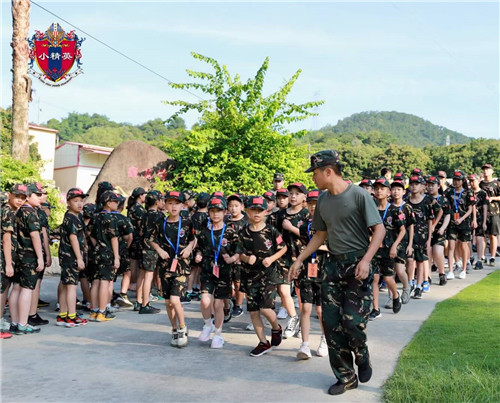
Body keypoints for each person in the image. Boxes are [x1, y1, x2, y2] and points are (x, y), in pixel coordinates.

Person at [290, 150, 385, 396]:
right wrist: (300, 259)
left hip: (358, 265)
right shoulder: (323, 200)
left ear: (329, 171)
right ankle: (346, 376)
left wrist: (366, 260)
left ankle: (362, 354)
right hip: (332, 266)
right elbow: (320, 234)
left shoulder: (359, 195)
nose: (313, 178)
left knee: (352, 322)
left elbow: (379, 230)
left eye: (315, 173)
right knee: (331, 324)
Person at [236, 196, 286, 356]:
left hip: (268, 275)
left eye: (260, 210)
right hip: (249, 276)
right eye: (253, 210)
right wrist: (246, 258)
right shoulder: (243, 232)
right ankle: (263, 342)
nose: (256, 213)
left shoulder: (271, 231)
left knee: (265, 308)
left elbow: (283, 248)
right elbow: (239, 252)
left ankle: (276, 328)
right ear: (247, 211)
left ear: (266, 212)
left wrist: (271, 259)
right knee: (253, 311)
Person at [195, 197, 239, 349]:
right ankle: (208, 324)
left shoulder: (230, 231)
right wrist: (198, 255)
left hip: (224, 272)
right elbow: (199, 247)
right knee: (205, 301)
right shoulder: (204, 232)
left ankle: (218, 335)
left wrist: (232, 258)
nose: (215, 214)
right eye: (212, 211)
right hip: (207, 270)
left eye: (219, 211)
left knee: (218, 303)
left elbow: (239, 250)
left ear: (225, 212)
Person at [159, 191, 196, 348]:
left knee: (175, 300)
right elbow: (151, 239)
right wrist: (159, 250)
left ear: (183, 205)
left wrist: (189, 248)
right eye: (170, 203)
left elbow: (193, 239)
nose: (173, 207)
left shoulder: (187, 223)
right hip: (165, 266)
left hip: (181, 266)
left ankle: (182, 327)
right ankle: (174, 328)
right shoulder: (161, 223)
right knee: (168, 302)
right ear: (165, 205)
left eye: (177, 203)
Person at [296, 189, 328, 359]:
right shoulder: (303, 224)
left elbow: (333, 247)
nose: (313, 207)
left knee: (321, 310)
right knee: (306, 308)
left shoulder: (329, 222)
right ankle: (305, 344)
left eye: (316, 204)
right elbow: (302, 246)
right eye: (310, 204)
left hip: (324, 271)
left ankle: (324, 339)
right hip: (307, 270)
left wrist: (315, 247)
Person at [9, 183, 46, 334]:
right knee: (27, 289)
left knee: (16, 288)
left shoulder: (18, 212)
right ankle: (23, 324)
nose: (40, 197)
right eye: (37, 194)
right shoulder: (30, 212)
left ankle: (15, 323)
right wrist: (40, 258)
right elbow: (35, 235)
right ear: (29, 196)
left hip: (17, 255)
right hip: (29, 256)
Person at [276, 183, 309, 338]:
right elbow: (275, 234)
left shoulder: (307, 214)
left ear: (304, 197)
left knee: (300, 292)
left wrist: (291, 228)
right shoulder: (280, 214)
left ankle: (303, 322)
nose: (293, 196)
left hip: (302, 257)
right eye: (291, 193)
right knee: (283, 290)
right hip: (284, 256)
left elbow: (311, 237)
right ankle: (293, 317)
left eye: (297, 193)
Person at [369, 178, 405, 320]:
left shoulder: (395, 210)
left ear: (388, 192)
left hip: (388, 249)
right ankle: (375, 309)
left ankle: (396, 295)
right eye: (377, 188)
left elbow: (402, 230)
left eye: (382, 188)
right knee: (374, 278)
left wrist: (395, 246)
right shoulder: (371, 210)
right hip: (374, 249)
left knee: (388, 277)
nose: (379, 191)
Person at [56, 188, 89, 327]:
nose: (80, 204)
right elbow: (73, 238)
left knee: (66, 285)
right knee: (71, 287)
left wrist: (84, 246)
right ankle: (71, 316)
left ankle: (63, 315)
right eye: (76, 201)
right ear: (68, 202)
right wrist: (79, 258)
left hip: (67, 255)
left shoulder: (74, 216)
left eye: (81, 200)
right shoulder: (71, 218)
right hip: (71, 256)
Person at [89, 190, 121, 322]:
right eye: (115, 201)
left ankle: (94, 311)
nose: (117, 203)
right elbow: (114, 238)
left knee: (95, 281)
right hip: (107, 253)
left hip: (97, 252)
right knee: (105, 281)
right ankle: (102, 312)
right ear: (108, 203)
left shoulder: (95, 216)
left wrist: (98, 245)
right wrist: (116, 256)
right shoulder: (111, 218)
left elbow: (90, 234)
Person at [1, 184, 28, 338]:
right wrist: (8, 263)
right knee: (1, 291)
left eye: (23, 198)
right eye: (17, 196)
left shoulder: (7, 210)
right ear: (9, 195)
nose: (20, 200)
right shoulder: (7, 212)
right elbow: (6, 239)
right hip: (3, 256)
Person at [444, 171, 475, 279]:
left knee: (463, 245)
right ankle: (451, 270)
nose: (456, 182)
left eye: (458, 180)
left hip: (464, 222)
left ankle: (464, 269)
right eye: (454, 180)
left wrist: (462, 219)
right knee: (451, 245)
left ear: (462, 181)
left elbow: (470, 209)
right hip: (452, 221)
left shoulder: (468, 192)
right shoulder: (449, 192)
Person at [138, 190, 164, 314]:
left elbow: (141, 231)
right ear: (157, 202)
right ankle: (145, 304)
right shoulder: (159, 216)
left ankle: (139, 301)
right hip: (152, 248)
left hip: (143, 246)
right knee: (148, 276)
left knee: (142, 275)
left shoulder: (144, 214)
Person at [389, 179, 413, 303]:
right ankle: (392, 296)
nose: (396, 192)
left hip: (402, 242)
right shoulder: (388, 206)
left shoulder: (407, 207)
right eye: (393, 189)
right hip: (388, 241)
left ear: (403, 192)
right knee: (389, 272)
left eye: (399, 189)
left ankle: (406, 287)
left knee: (399, 269)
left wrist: (410, 244)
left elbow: (411, 226)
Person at [122, 187, 147, 307]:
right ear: (140, 196)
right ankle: (134, 284)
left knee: (133, 262)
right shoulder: (138, 209)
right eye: (144, 195)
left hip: (133, 237)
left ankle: (132, 284)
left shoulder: (132, 207)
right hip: (136, 238)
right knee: (135, 263)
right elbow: (141, 225)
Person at [426, 176, 451, 285]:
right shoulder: (425, 198)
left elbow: (447, 215)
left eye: (433, 185)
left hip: (439, 230)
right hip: (426, 230)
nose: (430, 187)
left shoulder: (443, 199)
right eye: (429, 185)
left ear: (438, 186)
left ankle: (441, 273)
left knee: (437, 251)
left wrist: (443, 228)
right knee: (427, 253)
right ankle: (427, 276)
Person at [479, 163, 500, 266]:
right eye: (484, 169)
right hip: (482, 213)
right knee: (482, 235)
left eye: (487, 169)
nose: (485, 171)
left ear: (492, 171)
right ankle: (482, 256)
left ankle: (492, 257)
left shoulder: (497, 183)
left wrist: (493, 198)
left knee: (493, 235)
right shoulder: (480, 184)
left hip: (494, 212)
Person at [468, 174, 488, 268]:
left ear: (478, 181)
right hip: (469, 218)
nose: (472, 183)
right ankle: (471, 256)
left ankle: (479, 259)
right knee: (468, 239)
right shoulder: (468, 193)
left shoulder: (483, 193)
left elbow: (485, 208)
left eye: (473, 181)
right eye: (470, 181)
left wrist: (484, 222)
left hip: (480, 218)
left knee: (479, 238)